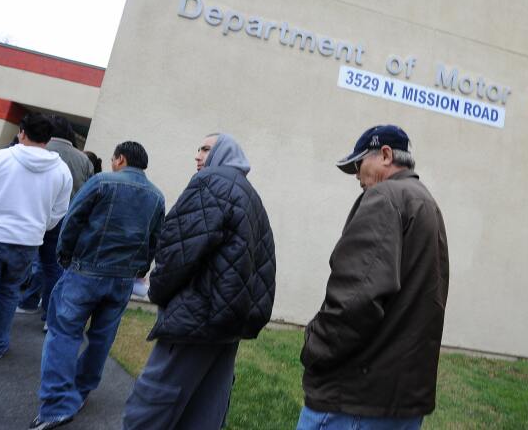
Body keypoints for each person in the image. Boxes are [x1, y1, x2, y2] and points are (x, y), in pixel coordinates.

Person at [297, 125, 450, 430]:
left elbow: (356, 299)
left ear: (385, 155)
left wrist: (313, 348)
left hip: (354, 403)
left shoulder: (386, 197)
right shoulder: (426, 203)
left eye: (358, 164)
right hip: (400, 403)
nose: (356, 175)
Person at [123, 133, 276, 430]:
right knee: (205, 411)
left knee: (152, 405)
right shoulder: (250, 196)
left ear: (224, 154)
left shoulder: (210, 183)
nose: (197, 155)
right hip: (227, 325)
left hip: (194, 320)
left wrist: (158, 291)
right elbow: (263, 267)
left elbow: (177, 250)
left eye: (206, 149)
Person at [30, 141, 165, 430]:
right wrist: (139, 270)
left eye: (115, 159)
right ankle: (80, 392)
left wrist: (64, 256)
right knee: (102, 338)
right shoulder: (156, 196)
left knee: (64, 334)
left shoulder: (102, 181)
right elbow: (154, 240)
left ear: (121, 159)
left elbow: (73, 220)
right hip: (122, 279)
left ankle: (56, 407)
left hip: (85, 271)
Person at [0, 113, 72, 362]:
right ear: (49, 138)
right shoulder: (61, 171)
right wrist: (40, 227)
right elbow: (59, 212)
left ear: (21, 131)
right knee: (9, 294)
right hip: (27, 241)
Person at [17, 115, 94, 329]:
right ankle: (49, 315)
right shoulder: (83, 160)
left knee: (24, 264)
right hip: (65, 219)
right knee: (54, 268)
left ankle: (26, 301)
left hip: (32, 216)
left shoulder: (39, 148)